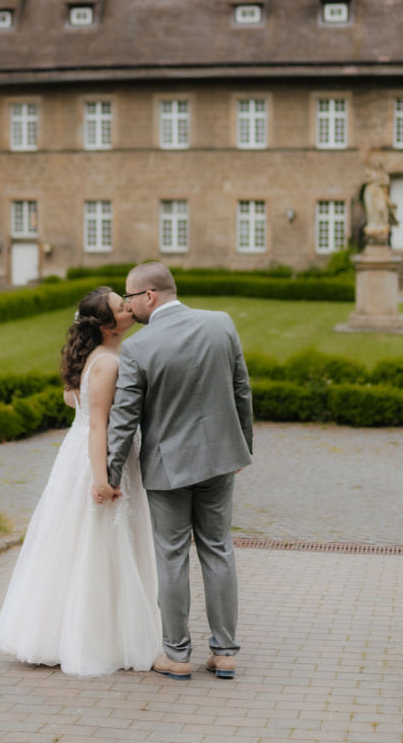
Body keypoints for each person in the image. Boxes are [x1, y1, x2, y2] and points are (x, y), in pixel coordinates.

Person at [0, 286, 162, 676]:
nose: (129, 309)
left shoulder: (98, 357)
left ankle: (85, 630)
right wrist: (102, 479)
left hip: (82, 453)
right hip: (95, 460)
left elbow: (77, 402)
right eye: (121, 307)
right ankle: (100, 637)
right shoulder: (106, 364)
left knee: (87, 542)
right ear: (105, 325)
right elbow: (98, 425)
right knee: (100, 542)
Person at [107, 262, 254, 680]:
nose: (129, 305)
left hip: (168, 469)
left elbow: (124, 419)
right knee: (218, 549)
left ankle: (177, 654)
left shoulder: (138, 347)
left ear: (149, 295)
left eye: (130, 297)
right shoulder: (221, 324)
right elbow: (241, 389)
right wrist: (243, 447)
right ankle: (224, 653)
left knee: (171, 557)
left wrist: (110, 475)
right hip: (220, 460)